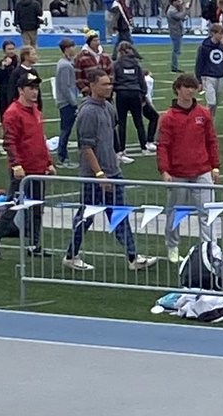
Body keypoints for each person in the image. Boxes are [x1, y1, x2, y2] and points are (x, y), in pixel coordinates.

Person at [64, 68, 156, 272]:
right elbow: (86, 147)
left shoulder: (108, 107)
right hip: (94, 176)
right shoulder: (88, 112)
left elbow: (111, 135)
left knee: (119, 214)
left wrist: (114, 160)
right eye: (105, 84)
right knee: (86, 216)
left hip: (112, 171)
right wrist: (99, 174)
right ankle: (71, 254)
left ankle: (132, 256)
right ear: (92, 86)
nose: (109, 87)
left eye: (110, 83)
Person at [157, 73, 221, 263]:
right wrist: (164, 170)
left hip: (202, 170)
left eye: (193, 87)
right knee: (175, 213)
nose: (190, 91)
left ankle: (209, 248)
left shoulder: (203, 113)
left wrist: (215, 166)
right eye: (187, 87)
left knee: (207, 212)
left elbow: (211, 140)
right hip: (178, 172)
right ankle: (172, 246)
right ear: (178, 89)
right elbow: (163, 145)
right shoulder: (168, 117)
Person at [0, 68, 54, 259]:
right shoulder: (13, 113)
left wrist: (48, 162)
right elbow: (9, 142)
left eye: (36, 88)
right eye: (30, 88)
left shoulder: (35, 110)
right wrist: (16, 165)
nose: (35, 91)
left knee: (37, 209)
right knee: (12, 207)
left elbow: (40, 139)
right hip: (23, 170)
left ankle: (34, 245)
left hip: (38, 168)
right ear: (21, 90)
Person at [113, 41, 151, 159]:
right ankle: (144, 147)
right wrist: (143, 94)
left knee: (122, 122)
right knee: (138, 121)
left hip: (122, 94)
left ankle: (122, 149)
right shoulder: (136, 64)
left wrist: (115, 90)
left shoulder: (117, 64)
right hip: (135, 93)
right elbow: (141, 80)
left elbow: (113, 79)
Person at [195, 23, 223, 119]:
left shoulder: (222, 47)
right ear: (213, 33)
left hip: (220, 76)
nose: (221, 36)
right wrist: (199, 80)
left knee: (216, 103)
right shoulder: (204, 47)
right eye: (219, 33)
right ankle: (206, 118)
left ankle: (211, 120)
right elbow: (199, 64)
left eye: (222, 34)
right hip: (208, 77)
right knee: (211, 101)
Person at [54, 38, 79, 166]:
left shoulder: (66, 63)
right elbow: (65, 86)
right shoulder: (65, 65)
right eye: (72, 47)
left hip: (67, 102)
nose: (74, 49)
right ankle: (62, 157)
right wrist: (73, 102)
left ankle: (63, 155)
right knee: (66, 130)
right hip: (66, 103)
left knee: (66, 129)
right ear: (66, 49)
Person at [166, 0, 187, 73]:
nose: (179, 3)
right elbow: (180, 16)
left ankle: (175, 66)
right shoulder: (172, 11)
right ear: (174, 2)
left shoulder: (174, 9)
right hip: (175, 32)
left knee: (177, 50)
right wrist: (184, 8)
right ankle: (174, 67)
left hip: (177, 31)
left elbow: (183, 17)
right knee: (176, 50)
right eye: (177, 1)